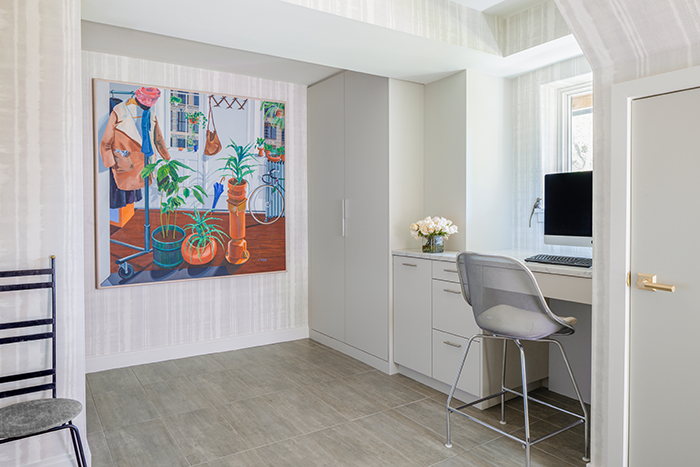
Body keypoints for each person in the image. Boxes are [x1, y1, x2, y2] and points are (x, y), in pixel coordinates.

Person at [99, 87, 170, 191]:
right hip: (127, 164)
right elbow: (105, 143)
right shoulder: (119, 112)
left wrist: (167, 158)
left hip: (146, 165)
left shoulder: (151, 116)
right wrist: (111, 163)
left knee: (141, 191)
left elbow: (158, 139)